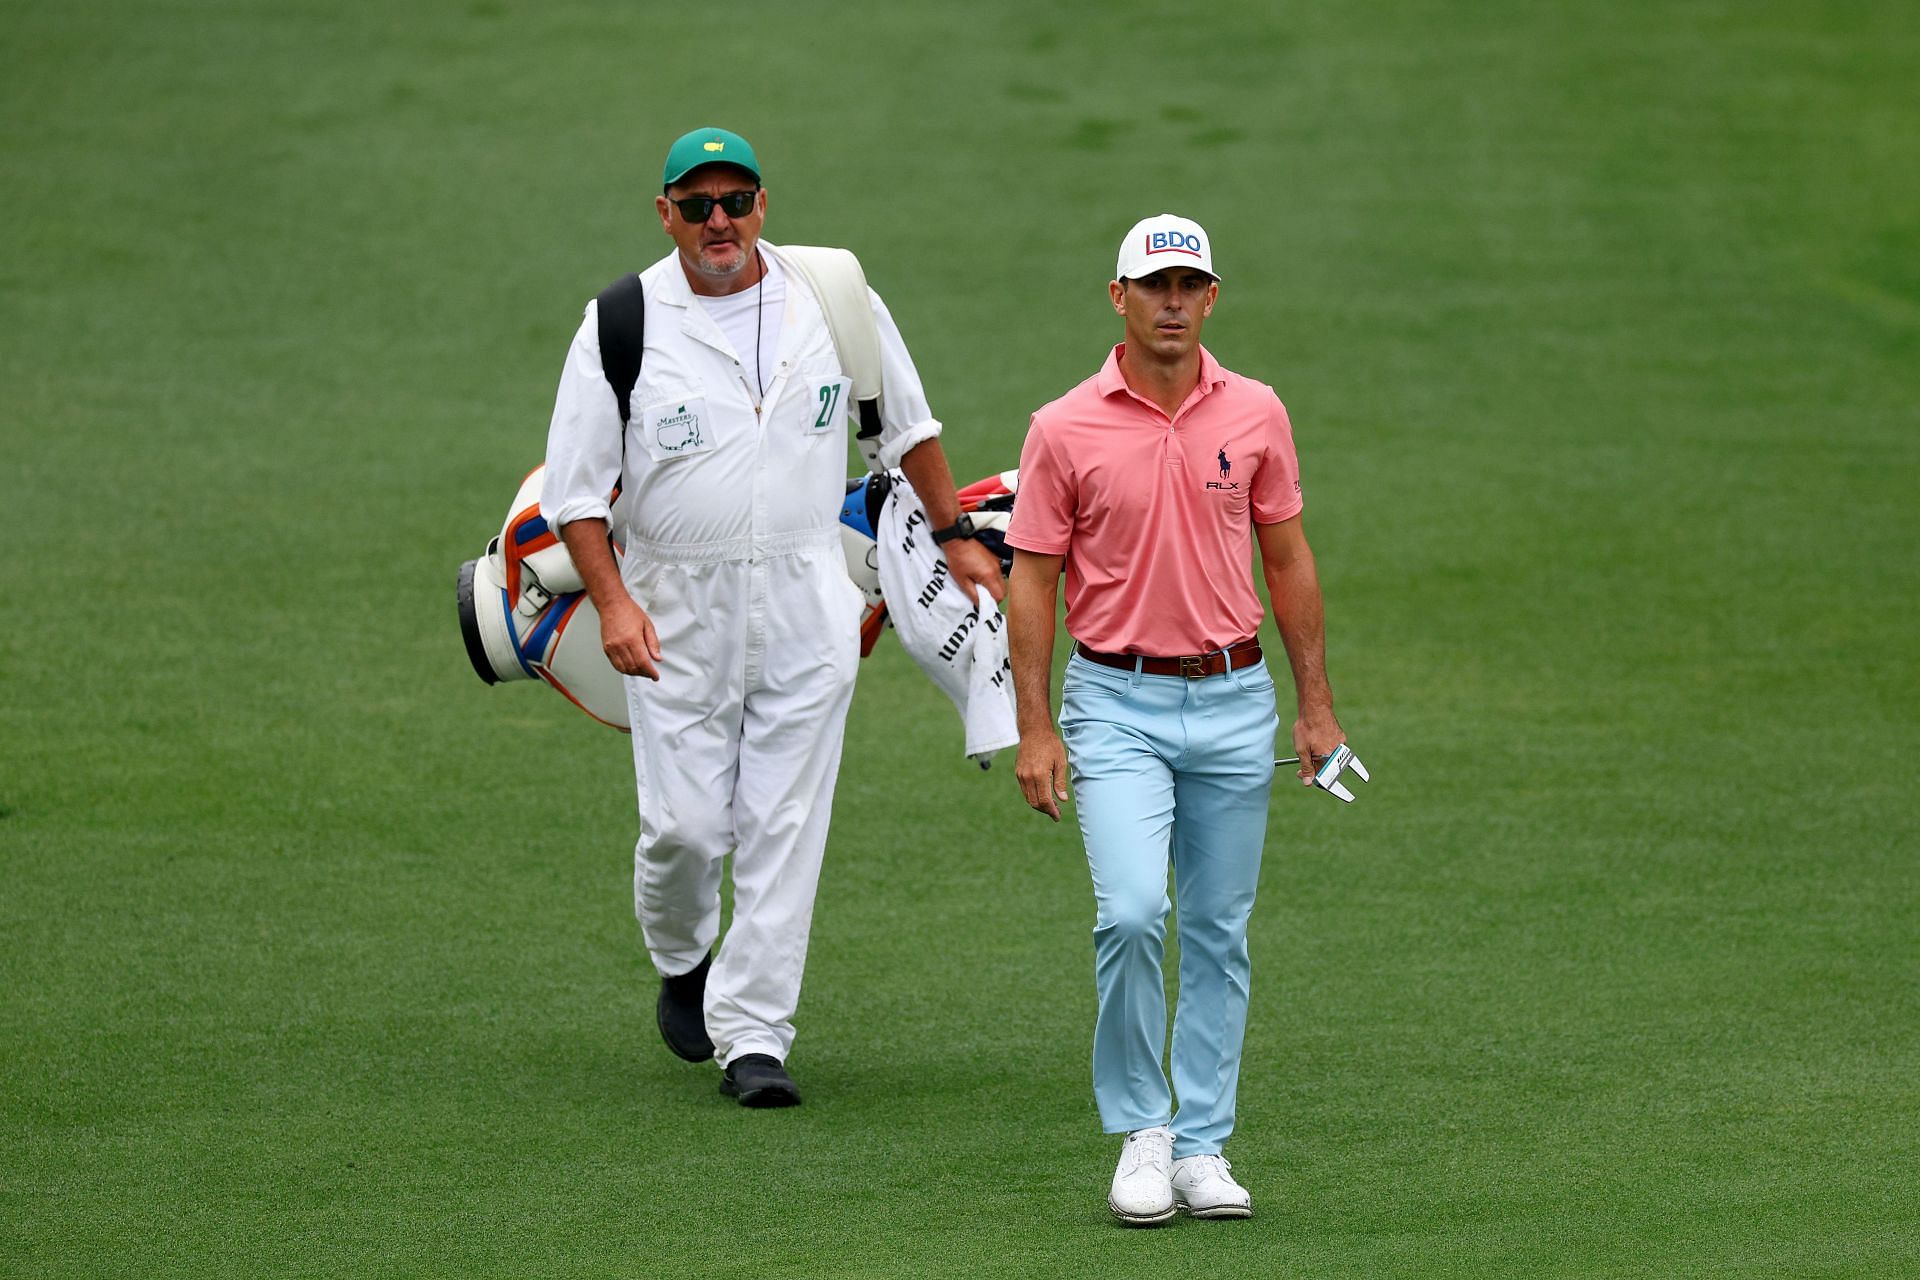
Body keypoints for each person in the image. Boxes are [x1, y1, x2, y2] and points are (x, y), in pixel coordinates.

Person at [541, 127, 1003, 1108]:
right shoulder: (622, 321)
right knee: (685, 828)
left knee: (783, 821)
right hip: (672, 604)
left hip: (806, 594)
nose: (721, 222)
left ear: (763, 203)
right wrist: (614, 602)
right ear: (663, 212)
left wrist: (959, 534)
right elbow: (576, 496)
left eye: (737, 200)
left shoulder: (832, 299)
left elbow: (909, 428)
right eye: (697, 204)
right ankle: (681, 955)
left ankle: (752, 1035)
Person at [1005, 214, 1345, 1222]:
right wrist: (1036, 725)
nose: (1172, 301)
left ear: (1211, 296)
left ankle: (1203, 1144)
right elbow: (1033, 583)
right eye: (1154, 285)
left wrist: (1316, 708)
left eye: (1189, 285)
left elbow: (1286, 559)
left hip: (1238, 700)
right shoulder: (1062, 426)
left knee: (1218, 929)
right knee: (1131, 913)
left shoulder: (1257, 412)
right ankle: (1144, 1131)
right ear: (1119, 297)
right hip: (1114, 701)